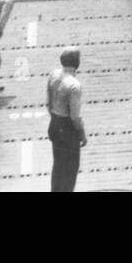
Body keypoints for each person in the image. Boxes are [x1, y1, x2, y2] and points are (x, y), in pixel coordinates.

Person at [47, 47, 86, 192]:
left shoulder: (53, 75)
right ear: (77, 62)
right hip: (68, 128)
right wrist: (82, 133)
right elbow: (75, 117)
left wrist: (55, 118)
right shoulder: (75, 85)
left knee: (58, 165)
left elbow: (48, 102)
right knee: (70, 168)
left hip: (55, 123)